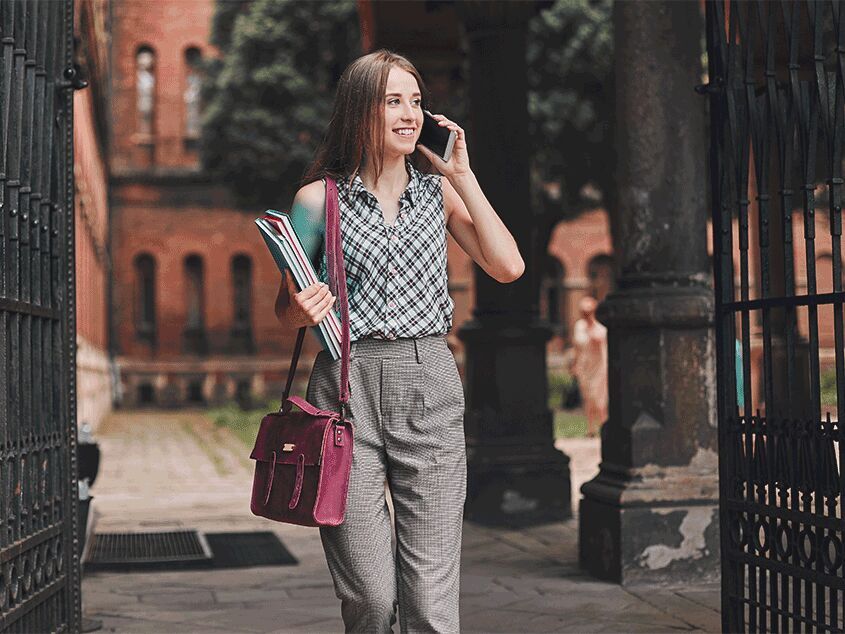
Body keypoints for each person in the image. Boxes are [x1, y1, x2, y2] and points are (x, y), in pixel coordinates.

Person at [273, 49, 524, 633]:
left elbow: (508, 266)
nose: (410, 115)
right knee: (369, 595)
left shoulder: (440, 196)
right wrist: (300, 307)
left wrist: (461, 173)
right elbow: (287, 311)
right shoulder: (318, 201)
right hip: (343, 389)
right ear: (361, 110)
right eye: (393, 101)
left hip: (429, 381)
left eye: (416, 101)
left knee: (431, 605)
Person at [569, 296, 608, 438]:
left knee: (599, 399)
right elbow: (576, 346)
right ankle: (591, 429)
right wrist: (574, 364)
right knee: (588, 399)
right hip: (583, 366)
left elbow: (598, 340)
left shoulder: (600, 327)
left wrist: (591, 325)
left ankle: (604, 426)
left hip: (598, 367)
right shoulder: (579, 326)